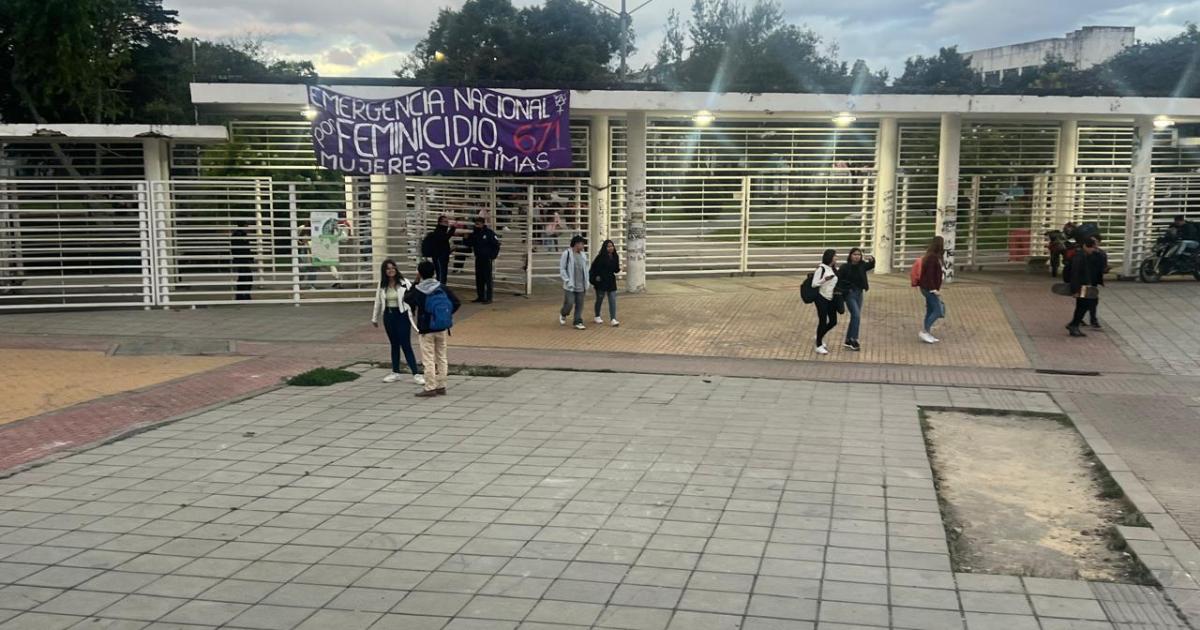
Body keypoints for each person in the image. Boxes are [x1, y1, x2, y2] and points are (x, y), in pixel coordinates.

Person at [404, 260, 461, 397]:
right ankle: (442, 386)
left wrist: (415, 282)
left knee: (428, 358)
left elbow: (407, 299)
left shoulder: (419, 290)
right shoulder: (442, 287)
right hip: (441, 327)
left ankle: (430, 387)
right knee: (442, 357)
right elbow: (456, 302)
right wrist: (445, 315)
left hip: (426, 329)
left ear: (420, 273)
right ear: (434, 272)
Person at [371, 259, 424, 385]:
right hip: (388, 316)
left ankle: (416, 374)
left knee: (405, 344)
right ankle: (395, 372)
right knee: (394, 344)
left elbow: (413, 295)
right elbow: (377, 301)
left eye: (393, 268)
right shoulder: (382, 284)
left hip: (402, 315)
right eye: (388, 268)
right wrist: (374, 317)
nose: (391, 270)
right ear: (384, 271)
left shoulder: (404, 282)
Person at [837, 247, 875, 351]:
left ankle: (848, 340)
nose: (857, 256)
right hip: (850, 294)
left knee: (855, 317)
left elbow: (870, 266)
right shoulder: (845, 267)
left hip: (859, 293)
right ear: (850, 256)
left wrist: (872, 260)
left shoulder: (862, 265)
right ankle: (854, 339)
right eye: (854, 254)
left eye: (858, 254)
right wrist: (846, 290)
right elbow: (838, 279)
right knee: (856, 315)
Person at [1066, 237, 1103, 337]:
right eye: (1092, 248)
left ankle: (1074, 324)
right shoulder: (1079, 256)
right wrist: (1075, 290)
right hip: (1080, 287)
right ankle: (1074, 325)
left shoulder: (1084, 255)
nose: (1093, 250)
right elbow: (1075, 274)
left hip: (1084, 286)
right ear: (1086, 246)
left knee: (1083, 306)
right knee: (1084, 305)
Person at [463, 215, 500, 304]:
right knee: (479, 278)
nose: (476, 226)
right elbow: (469, 244)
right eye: (475, 224)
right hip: (478, 258)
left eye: (478, 224)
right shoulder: (474, 234)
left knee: (487, 278)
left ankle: (489, 297)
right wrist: (465, 238)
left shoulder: (489, 233)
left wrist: (492, 256)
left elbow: (496, 245)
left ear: (483, 224)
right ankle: (480, 296)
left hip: (486, 259)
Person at [917, 236, 945, 344]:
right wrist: (934, 289)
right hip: (929, 288)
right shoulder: (932, 258)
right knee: (938, 310)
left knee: (930, 310)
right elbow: (929, 275)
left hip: (927, 287)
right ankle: (924, 331)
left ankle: (927, 332)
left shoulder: (932, 256)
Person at [811, 249, 839, 355]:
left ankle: (819, 335)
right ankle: (818, 345)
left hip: (831, 298)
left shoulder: (833, 269)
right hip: (821, 298)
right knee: (823, 320)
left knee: (833, 321)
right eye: (835, 256)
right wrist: (824, 279)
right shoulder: (821, 268)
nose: (836, 258)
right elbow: (814, 284)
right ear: (830, 257)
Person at [559, 235, 589, 330]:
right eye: (582, 244)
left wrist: (587, 281)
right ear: (576, 244)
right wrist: (567, 280)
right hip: (570, 285)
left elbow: (585, 268)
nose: (583, 246)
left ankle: (578, 321)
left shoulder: (583, 255)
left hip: (581, 285)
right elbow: (562, 268)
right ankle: (563, 313)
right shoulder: (567, 254)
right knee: (569, 303)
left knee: (580, 304)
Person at [590, 239, 620, 327]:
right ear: (605, 248)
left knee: (612, 300)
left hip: (611, 281)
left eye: (612, 246)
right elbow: (595, 269)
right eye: (608, 246)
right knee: (600, 299)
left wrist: (619, 268)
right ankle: (597, 315)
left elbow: (615, 269)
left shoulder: (615, 256)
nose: (611, 248)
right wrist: (596, 278)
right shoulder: (600, 257)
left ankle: (613, 318)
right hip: (601, 281)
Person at [421, 215, 457, 284]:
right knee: (441, 275)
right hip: (439, 258)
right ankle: (440, 290)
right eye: (445, 222)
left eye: (447, 222)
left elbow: (443, 245)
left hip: (442, 257)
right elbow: (445, 238)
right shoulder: (439, 232)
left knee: (442, 275)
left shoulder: (441, 231)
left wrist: (450, 250)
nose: (447, 223)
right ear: (440, 223)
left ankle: (441, 289)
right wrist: (453, 228)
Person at [231, 220, 252, 300]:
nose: (248, 227)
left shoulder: (241, 234)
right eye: (247, 225)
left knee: (244, 277)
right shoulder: (238, 235)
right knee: (245, 277)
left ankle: (243, 295)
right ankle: (243, 295)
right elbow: (242, 248)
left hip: (243, 259)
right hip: (241, 259)